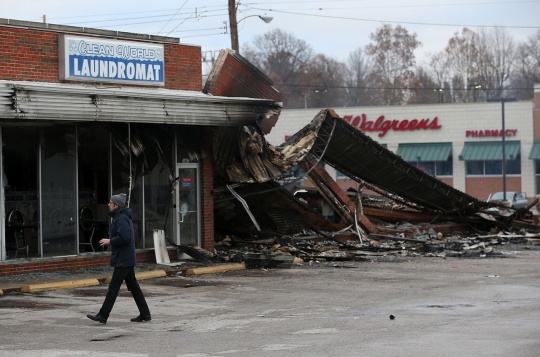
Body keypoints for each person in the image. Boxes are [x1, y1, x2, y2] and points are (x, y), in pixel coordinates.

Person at [87, 193, 151, 324]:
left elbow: (124, 238)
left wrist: (109, 241)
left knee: (113, 287)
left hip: (123, 258)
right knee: (134, 287)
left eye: (110, 202)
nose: (108, 204)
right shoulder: (120, 216)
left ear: (116, 205)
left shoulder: (121, 218)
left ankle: (103, 315)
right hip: (125, 257)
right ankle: (145, 313)